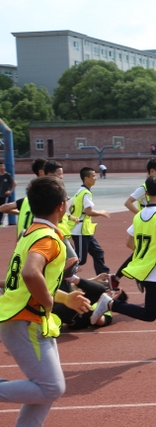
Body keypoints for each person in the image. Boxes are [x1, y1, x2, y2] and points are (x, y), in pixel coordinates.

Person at [0, 176, 92, 427]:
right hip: (24, 320)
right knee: (51, 387)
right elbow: (31, 274)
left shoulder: (30, 234)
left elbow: (28, 282)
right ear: (61, 206)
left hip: (24, 317)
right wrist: (48, 303)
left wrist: (64, 298)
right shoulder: (47, 239)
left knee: (44, 388)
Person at [91, 175, 156, 357]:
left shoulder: (139, 216)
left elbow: (129, 242)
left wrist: (145, 253)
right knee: (149, 314)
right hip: (154, 272)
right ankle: (111, 304)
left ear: (146, 193)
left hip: (151, 270)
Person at [116, 157, 156, 289]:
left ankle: (123, 277)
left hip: (155, 220)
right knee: (146, 251)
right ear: (152, 171)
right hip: (148, 221)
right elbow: (128, 202)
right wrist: (140, 214)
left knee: (147, 251)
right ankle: (120, 277)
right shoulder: (145, 188)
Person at [68, 167, 110, 275]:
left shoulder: (80, 192)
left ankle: (103, 276)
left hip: (85, 230)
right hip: (80, 230)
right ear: (86, 178)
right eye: (93, 176)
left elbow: (70, 207)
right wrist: (101, 212)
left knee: (98, 252)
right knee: (80, 259)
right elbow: (89, 212)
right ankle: (63, 275)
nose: (95, 178)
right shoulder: (86, 193)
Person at [0, 160, 17, 226]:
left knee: (3, 209)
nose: (1, 167)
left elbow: (15, 183)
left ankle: (1, 222)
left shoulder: (7, 175)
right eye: (0, 166)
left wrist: (10, 191)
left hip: (4, 195)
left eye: (2, 166)